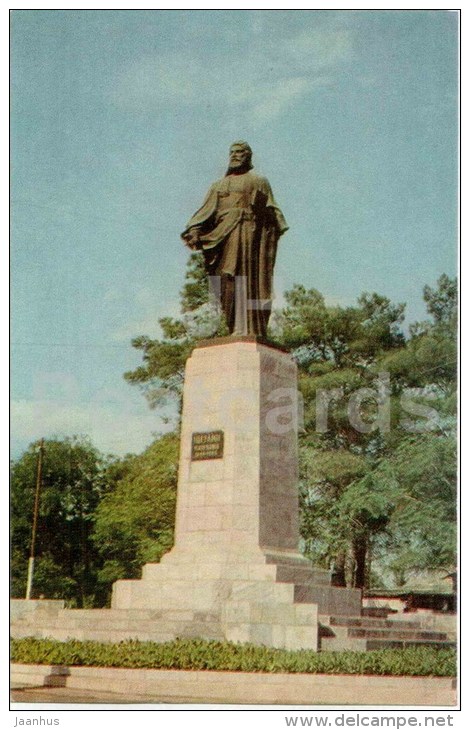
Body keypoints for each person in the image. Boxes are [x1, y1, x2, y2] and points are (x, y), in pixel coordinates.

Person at [181, 141, 288, 338]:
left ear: (248, 156)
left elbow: (276, 217)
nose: (235, 156)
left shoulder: (259, 181)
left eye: (240, 152)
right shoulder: (218, 186)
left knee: (248, 281)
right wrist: (195, 230)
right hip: (224, 238)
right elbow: (204, 213)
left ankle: (249, 329)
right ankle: (234, 326)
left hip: (250, 237)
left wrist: (263, 212)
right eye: (232, 152)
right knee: (226, 281)